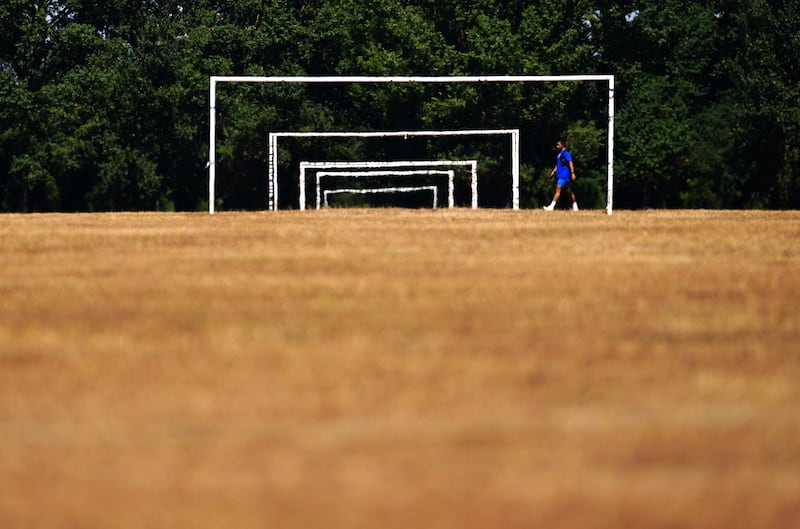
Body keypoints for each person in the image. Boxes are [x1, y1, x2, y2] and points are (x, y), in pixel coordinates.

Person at [543, 138, 578, 211]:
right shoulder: (560, 154)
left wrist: (572, 172)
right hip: (561, 175)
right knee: (569, 191)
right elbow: (558, 164)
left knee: (558, 190)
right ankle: (575, 206)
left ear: (562, 145)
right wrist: (554, 171)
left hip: (564, 175)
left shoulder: (565, 153)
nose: (557, 146)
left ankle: (551, 206)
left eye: (558, 144)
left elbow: (570, 162)